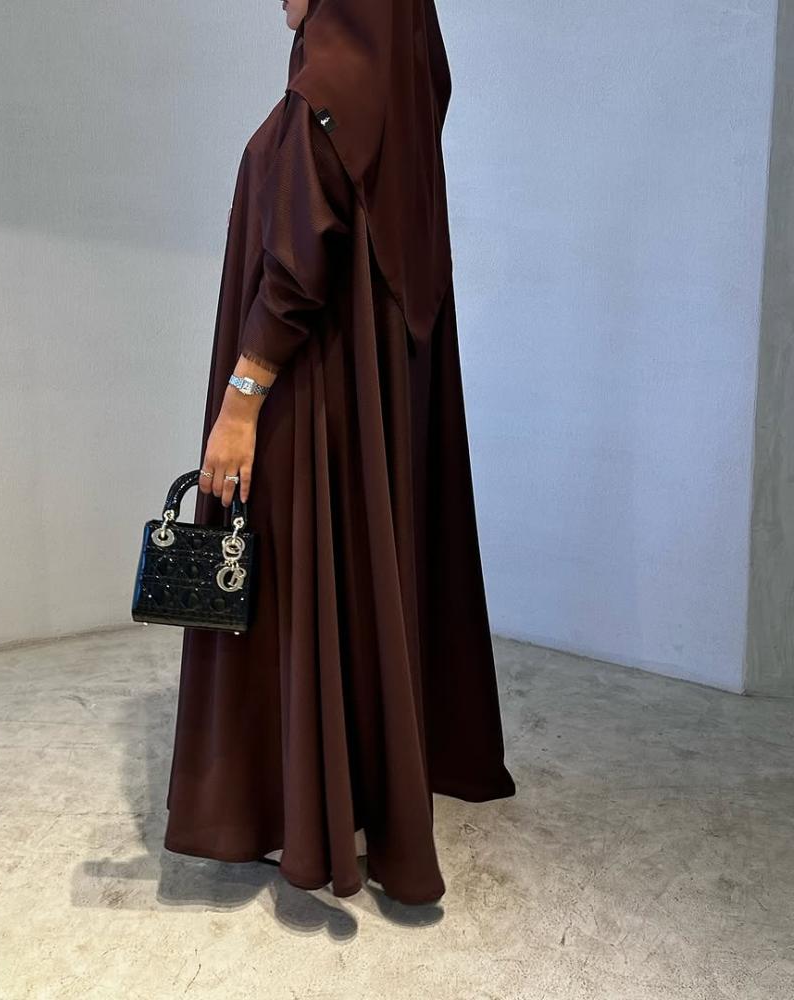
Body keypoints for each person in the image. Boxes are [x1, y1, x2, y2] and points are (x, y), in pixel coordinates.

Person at [163, 0, 516, 906]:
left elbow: (297, 271)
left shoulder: (330, 87)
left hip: (310, 392)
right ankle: (354, 783)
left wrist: (241, 401)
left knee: (291, 571)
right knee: (360, 565)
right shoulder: (395, 89)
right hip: (367, 393)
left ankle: (295, 807)